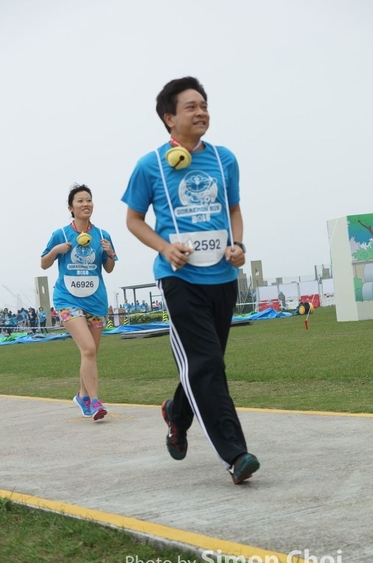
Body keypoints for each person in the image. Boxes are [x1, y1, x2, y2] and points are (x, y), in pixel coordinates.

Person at [122, 76, 260, 484]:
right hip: (179, 280)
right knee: (206, 363)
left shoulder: (224, 159)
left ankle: (177, 413)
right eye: (191, 107)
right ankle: (235, 455)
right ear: (169, 118)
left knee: (207, 362)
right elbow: (133, 220)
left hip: (223, 278)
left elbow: (233, 209)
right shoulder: (149, 165)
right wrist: (165, 248)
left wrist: (238, 245)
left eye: (204, 105)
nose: (201, 112)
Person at [41, 183, 117, 421]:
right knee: (88, 349)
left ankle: (82, 396)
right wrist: (56, 250)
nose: (86, 204)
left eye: (89, 200)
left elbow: (109, 268)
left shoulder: (103, 235)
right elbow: (44, 263)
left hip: (96, 300)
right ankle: (94, 402)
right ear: (70, 208)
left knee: (90, 354)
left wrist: (110, 253)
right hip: (67, 299)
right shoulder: (61, 234)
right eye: (80, 201)